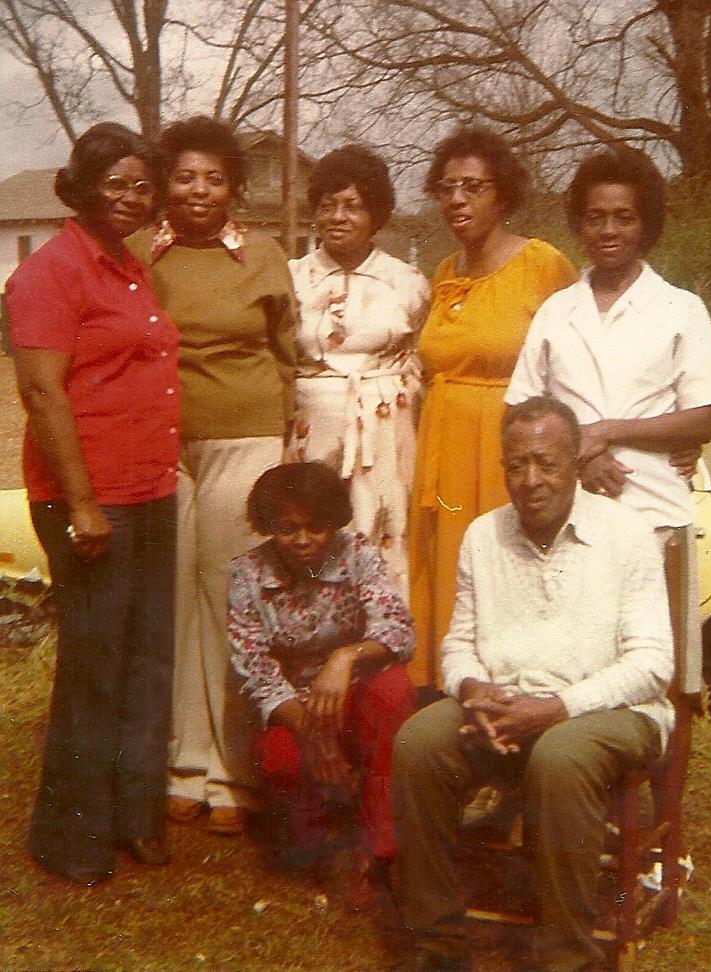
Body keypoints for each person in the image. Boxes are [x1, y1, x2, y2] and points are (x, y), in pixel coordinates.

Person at [392, 397, 674, 972]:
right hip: (505, 707)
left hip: (613, 710)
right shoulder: (481, 536)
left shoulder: (628, 535)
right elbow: (458, 643)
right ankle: (437, 944)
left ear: (575, 463)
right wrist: (469, 688)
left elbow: (651, 664)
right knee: (418, 741)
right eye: (516, 465)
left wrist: (557, 708)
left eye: (546, 463)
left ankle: (569, 956)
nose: (530, 481)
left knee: (562, 755)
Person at [7, 123, 180, 884]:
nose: (130, 196)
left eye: (142, 184)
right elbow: (42, 393)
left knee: (147, 660)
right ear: (80, 187)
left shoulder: (135, 270)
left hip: (153, 490)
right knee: (95, 665)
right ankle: (71, 836)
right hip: (88, 498)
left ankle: (134, 817)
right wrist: (82, 504)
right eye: (114, 181)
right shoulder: (48, 272)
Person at [506, 145, 711, 695]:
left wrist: (605, 432)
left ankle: (665, 786)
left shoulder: (681, 308)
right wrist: (579, 457)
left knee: (667, 676)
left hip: (656, 510)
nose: (608, 230)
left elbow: (701, 419)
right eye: (594, 217)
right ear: (579, 224)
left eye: (623, 217)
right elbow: (520, 409)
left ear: (646, 224)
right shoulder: (558, 310)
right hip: (571, 516)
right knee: (583, 676)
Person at [127, 115, 297, 835]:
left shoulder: (263, 256)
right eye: (185, 176)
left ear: (234, 187)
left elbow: (287, 351)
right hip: (162, 446)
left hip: (244, 439)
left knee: (233, 599)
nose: (199, 190)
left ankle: (235, 775)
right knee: (176, 600)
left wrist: (281, 439)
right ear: (165, 182)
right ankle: (183, 763)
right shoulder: (138, 252)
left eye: (214, 177)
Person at [408, 125, 576, 686]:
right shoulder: (443, 273)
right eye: (448, 187)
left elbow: (579, 359)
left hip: (509, 447)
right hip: (442, 446)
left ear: (502, 196)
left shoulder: (542, 264)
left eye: (473, 187)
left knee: (508, 570)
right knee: (449, 571)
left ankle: (516, 699)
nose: (457, 199)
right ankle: (449, 693)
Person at [227, 462, 415, 902]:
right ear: (268, 526)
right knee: (281, 759)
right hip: (296, 706)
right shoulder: (246, 574)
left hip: (357, 689)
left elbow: (398, 629)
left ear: (334, 521)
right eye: (288, 529)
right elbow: (254, 669)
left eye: (316, 527)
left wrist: (344, 657)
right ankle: (321, 845)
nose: (304, 540)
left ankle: (381, 849)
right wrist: (312, 732)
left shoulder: (358, 554)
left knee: (395, 692)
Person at [287, 145, 429, 596]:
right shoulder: (292, 277)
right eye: (327, 206)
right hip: (315, 430)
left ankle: (381, 651)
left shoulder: (407, 281)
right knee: (310, 538)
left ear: (376, 214)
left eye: (353, 206)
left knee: (382, 537)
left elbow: (423, 354)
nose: (338, 217)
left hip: (385, 430)